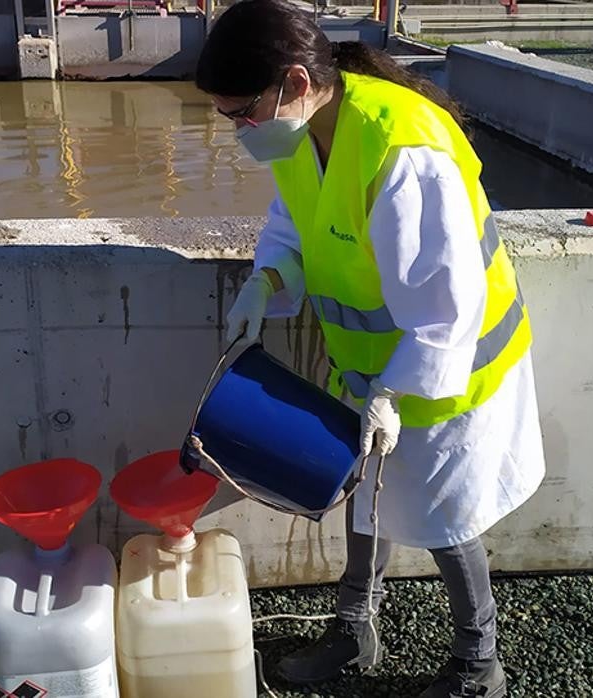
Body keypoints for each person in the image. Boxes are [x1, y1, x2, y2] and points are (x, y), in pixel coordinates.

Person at [195, 1, 546, 696]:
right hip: (369, 369)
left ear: (295, 81)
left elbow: (449, 308)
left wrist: (396, 391)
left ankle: (480, 664)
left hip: (453, 377)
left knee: (447, 520)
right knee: (368, 502)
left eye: (241, 113)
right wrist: (265, 283)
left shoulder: (404, 152)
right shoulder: (302, 130)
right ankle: (356, 630)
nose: (239, 131)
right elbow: (296, 225)